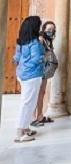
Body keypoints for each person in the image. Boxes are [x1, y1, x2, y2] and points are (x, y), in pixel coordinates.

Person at [12, 15, 45, 143]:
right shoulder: (35, 43)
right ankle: (19, 133)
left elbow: (16, 57)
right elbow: (36, 59)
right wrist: (44, 57)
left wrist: (21, 65)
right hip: (32, 76)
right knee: (27, 103)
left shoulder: (21, 41)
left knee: (28, 102)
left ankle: (26, 129)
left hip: (22, 74)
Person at [31, 21, 57, 127]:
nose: (51, 31)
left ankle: (40, 115)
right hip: (40, 70)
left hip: (44, 70)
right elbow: (39, 54)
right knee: (37, 94)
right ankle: (33, 118)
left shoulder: (48, 40)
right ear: (44, 29)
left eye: (53, 29)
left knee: (41, 93)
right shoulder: (41, 39)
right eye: (49, 29)